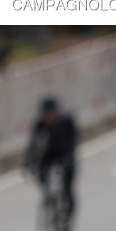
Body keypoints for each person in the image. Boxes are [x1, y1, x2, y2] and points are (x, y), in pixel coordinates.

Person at [24, 95, 78, 224]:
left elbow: (73, 142)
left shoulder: (67, 122)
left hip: (65, 154)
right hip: (49, 155)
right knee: (41, 173)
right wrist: (27, 163)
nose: (49, 119)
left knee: (67, 188)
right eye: (46, 115)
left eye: (52, 115)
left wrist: (69, 159)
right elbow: (32, 145)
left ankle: (66, 218)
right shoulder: (40, 124)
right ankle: (50, 198)